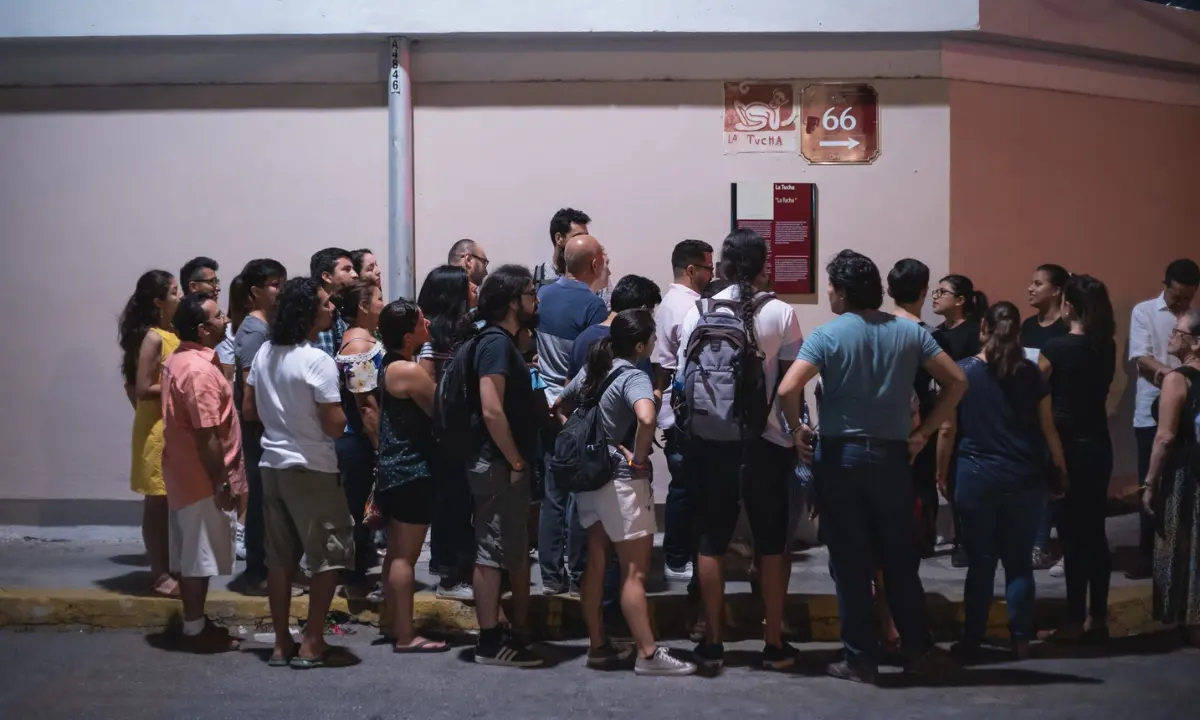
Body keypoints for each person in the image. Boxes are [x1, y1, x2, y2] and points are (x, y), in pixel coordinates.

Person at [777, 249, 967, 684]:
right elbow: (957, 381)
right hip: (891, 457)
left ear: (842, 291)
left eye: (830, 287)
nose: (828, 293)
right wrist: (925, 432)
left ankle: (860, 658)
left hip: (839, 458)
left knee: (849, 563)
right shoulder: (907, 333)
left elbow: (790, 388)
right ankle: (916, 649)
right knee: (899, 559)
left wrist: (797, 429)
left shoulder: (827, 336)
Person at [675, 229, 805, 671]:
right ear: (764, 264)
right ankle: (773, 643)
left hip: (713, 442)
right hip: (767, 444)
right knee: (771, 543)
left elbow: (682, 380)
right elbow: (791, 387)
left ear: (725, 266)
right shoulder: (782, 313)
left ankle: (712, 641)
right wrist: (796, 430)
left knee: (711, 540)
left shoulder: (699, 311)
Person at [557, 309, 696, 675]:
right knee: (634, 571)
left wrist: (594, 444)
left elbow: (559, 405)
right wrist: (636, 458)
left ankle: (598, 645)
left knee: (596, 563)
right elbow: (647, 417)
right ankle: (648, 654)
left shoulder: (595, 368)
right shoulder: (633, 375)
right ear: (639, 344)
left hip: (589, 481)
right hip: (620, 482)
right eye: (652, 338)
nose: (654, 344)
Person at [936, 302, 1068, 661]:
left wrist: (941, 470)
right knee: (1019, 564)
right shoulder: (1032, 374)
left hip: (976, 477)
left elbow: (947, 429)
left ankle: (973, 639)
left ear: (983, 329)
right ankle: (1021, 638)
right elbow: (1047, 428)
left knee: (980, 563)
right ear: (1018, 335)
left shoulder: (963, 374)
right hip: (1025, 478)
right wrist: (1060, 468)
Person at [243, 277, 357, 669]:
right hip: (312, 467)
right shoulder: (317, 361)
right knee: (327, 556)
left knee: (280, 560)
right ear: (307, 313)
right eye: (325, 304)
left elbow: (250, 409)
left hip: (272, 464)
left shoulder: (265, 354)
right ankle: (311, 640)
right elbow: (335, 425)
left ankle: (279, 644)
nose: (331, 309)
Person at [160, 293, 247, 652]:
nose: (226, 320)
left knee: (197, 556)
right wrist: (221, 480)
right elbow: (207, 435)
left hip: (188, 477)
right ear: (202, 328)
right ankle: (195, 630)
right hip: (201, 480)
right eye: (218, 316)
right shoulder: (197, 371)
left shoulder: (181, 361)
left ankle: (196, 621)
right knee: (198, 559)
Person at [468, 265, 544, 667]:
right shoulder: (496, 344)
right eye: (531, 294)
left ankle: (501, 633)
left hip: (502, 461)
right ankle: (490, 641)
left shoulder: (502, 342)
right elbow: (491, 407)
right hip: (498, 462)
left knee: (503, 545)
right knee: (491, 549)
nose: (536, 301)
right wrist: (514, 457)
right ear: (514, 302)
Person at [1037, 274, 1117, 644]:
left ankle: (1073, 618)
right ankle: (1096, 617)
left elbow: (1033, 392)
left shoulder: (1056, 347)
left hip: (1066, 446)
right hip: (1098, 444)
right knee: (1094, 532)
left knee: (1070, 534)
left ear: (1068, 306)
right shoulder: (1107, 345)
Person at [373, 299, 450, 653]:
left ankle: (391, 621)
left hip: (395, 467)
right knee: (405, 555)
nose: (428, 322)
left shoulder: (389, 364)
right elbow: (440, 410)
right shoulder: (408, 370)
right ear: (407, 336)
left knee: (395, 553)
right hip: (412, 469)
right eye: (421, 320)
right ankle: (406, 636)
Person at [536, 235, 610, 596]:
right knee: (580, 496)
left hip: (545, 406)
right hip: (573, 411)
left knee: (552, 494)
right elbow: (588, 369)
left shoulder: (542, 295)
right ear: (595, 264)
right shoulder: (593, 307)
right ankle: (580, 574)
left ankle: (550, 576)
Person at [1128, 259, 1200, 580]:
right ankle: (1148, 557)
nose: (1182, 303)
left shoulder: (1194, 319)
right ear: (1165, 285)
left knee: (1183, 492)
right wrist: (1180, 378)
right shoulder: (1144, 312)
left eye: (1189, 297)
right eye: (1177, 296)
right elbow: (1141, 357)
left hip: (1189, 419)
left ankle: (1179, 559)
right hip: (1151, 412)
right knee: (1152, 486)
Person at [119, 269, 183, 598]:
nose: (181, 296)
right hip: (157, 428)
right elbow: (143, 386)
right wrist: (182, 385)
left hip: (174, 426)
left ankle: (171, 566)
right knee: (157, 504)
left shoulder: (172, 333)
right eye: (174, 292)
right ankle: (158, 574)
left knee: (173, 503)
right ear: (159, 302)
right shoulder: (154, 337)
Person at [417, 265, 479, 600]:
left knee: (464, 501)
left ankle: (461, 569)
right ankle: (448, 574)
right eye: (466, 284)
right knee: (451, 501)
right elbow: (428, 388)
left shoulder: (467, 330)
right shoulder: (435, 338)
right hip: (448, 435)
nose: (474, 287)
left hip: (464, 431)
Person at [654, 240, 715, 583]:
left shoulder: (670, 303)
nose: (712, 275)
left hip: (673, 409)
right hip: (684, 411)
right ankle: (678, 557)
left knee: (685, 485)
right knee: (686, 488)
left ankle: (681, 555)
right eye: (708, 268)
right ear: (692, 270)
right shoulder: (689, 307)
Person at [1143, 308, 1200, 645]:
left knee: (1183, 541)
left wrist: (1150, 482)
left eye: (1178, 333)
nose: (1171, 338)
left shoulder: (1178, 378)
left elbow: (1165, 436)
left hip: (1184, 473)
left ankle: (1188, 617)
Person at [230, 258, 287, 594]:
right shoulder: (254, 332)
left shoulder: (266, 326)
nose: (278, 290)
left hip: (267, 427)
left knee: (269, 502)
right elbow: (250, 392)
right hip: (259, 429)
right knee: (261, 502)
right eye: (273, 285)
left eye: (280, 283)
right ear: (255, 291)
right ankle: (256, 573)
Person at [333, 281, 386, 598]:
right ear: (363, 306)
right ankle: (353, 580)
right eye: (379, 298)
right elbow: (365, 404)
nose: (384, 302)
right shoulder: (357, 347)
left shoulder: (367, 340)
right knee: (358, 512)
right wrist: (380, 446)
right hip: (357, 442)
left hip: (362, 441)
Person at [932, 273, 988, 568]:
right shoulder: (937, 333)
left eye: (943, 292)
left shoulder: (975, 332)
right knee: (951, 481)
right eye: (935, 291)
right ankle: (961, 539)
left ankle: (970, 541)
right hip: (944, 412)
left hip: (970, 413)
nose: (936, 296)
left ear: (961, 300)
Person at [887, 258, 939, 555]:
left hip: (886, 424)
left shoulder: (879, 330)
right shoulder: (929, 336)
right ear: (924, 290)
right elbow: (952, 384)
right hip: (922, 427)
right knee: (921, 487)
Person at [1023, 263, 1071, 572]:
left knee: (1057, 479)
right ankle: (1034, 542)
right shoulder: (1028, 326)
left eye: (1038, 283)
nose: (1030, 288)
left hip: (1058, 412)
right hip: (1029, 410)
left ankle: (1047, 545)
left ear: (1056, 290)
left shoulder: (1067, 328)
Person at [569, 275, 662, 380]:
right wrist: (659, 383)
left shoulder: (582, 337)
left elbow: (568, 387)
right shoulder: (634, 342)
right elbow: (645, 394)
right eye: (651, 312)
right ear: (643, 310)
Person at [310, 247, 359, 358]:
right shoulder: (317, 311)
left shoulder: (339, 307)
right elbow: (324, 358)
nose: (355, 274)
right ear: (327, 276)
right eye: (347, 269)